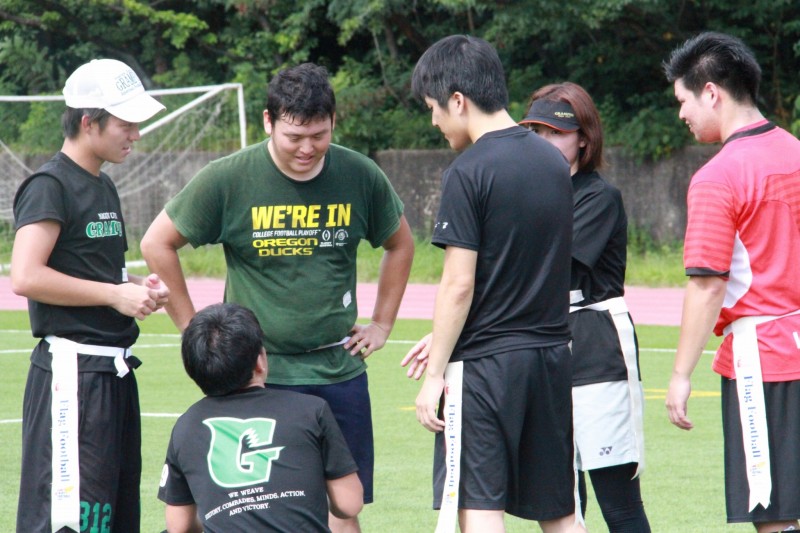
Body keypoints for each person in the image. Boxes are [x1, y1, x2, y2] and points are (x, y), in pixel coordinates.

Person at [140, 62, 414, 533]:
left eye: (319, 135)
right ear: (268, 122)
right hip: (257, 379)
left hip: (337, 369)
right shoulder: (228, 178)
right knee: (257, 506)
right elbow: (156, 243)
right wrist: (194, 330)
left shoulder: (359, 174)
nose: (307, 148)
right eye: (294, 136)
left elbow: (400, 243)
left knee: (344, 508)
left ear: (333, 123)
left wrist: (382, 323)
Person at [408, 34, 584, 533]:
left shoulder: (467, 172)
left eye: (433, 109)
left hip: (486, 367)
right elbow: (521, 268)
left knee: (478, 507)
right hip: (551, 359)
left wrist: (434, 375)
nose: (434, 122)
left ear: (457, 100)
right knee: (560, 512)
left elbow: (458, 285)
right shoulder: (554, 163)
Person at [11, 58, 169, 532]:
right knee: (70, 520)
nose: (135, 135)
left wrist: (137, 288)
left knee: (112, 514)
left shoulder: (103, 184)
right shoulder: (50, 185)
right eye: (126, 123)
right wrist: (114, 296)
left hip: (111, 375)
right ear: (88, 122)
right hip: (72, 378)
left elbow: (103, 272)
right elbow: (26, 275)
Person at [663, 31, 800, 532]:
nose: (682, 114)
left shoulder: (718, 177)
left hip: (765, 361)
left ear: (711, 93)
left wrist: (680, 374)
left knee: (774, 514)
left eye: (683, 100)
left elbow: (707, 285)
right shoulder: (796, 152)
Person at [521, 83, 650, 531]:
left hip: (595, 347)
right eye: (536, 132)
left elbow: (549, 271)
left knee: (618, 502)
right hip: (544, 345)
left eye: (556, 132)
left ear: (583, 138)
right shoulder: (528, 194)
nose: (544, 142)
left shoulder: (598, 196)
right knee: (561, 502)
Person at [157, 302, 363, 532]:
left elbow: (178, 526)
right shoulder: (311, 409)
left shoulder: (185, 426)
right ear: (260, 361)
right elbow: (349, 504)